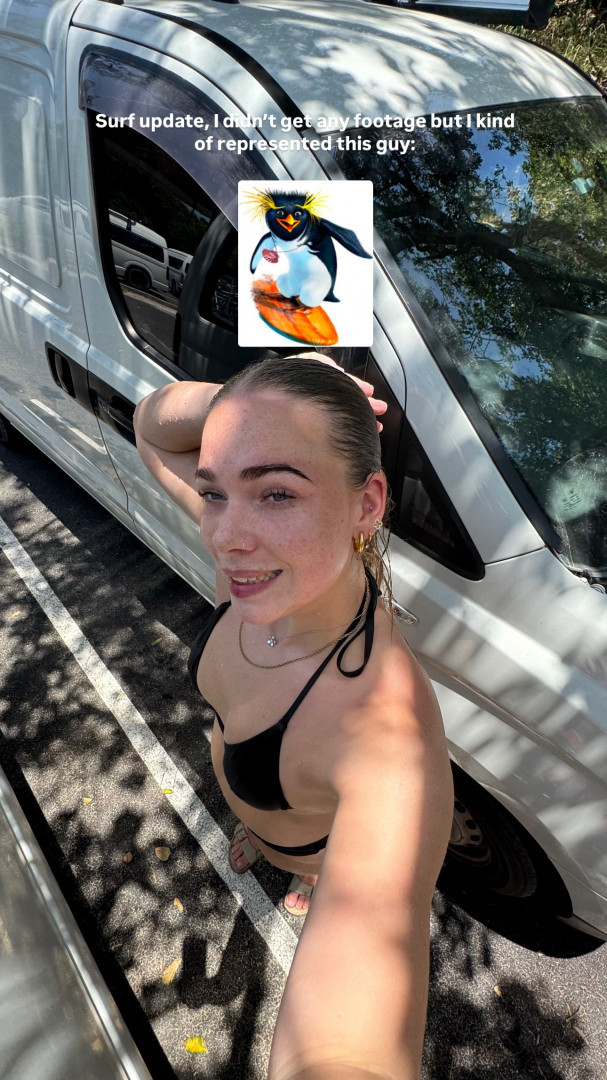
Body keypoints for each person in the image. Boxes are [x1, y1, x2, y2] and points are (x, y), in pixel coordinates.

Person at [133, 354, 453, 1080]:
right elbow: (151, 426)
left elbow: (346, 1046)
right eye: (214, 493)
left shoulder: (386, 737)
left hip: (310, 842)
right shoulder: (258, 580)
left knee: (306, 860)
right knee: (261, 821)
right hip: (261, 809)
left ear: (367, 504)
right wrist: (245, 401)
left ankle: (302, 872)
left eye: (276, 492)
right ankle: (261, 836)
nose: (224, 536)